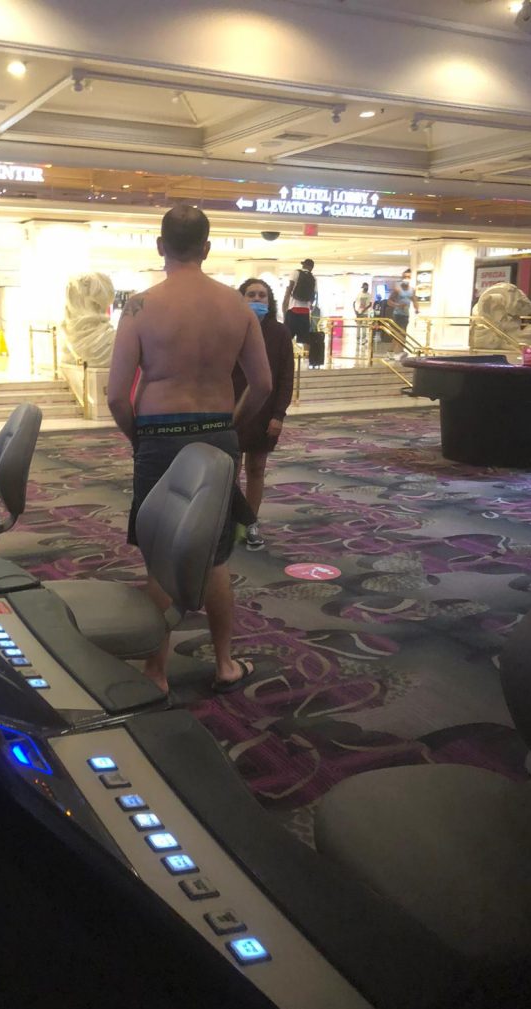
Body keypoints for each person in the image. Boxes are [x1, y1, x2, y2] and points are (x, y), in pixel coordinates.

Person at [107, 204, 271, 695]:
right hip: (217, 430)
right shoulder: (237, 307)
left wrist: (138, 438)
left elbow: (116, 396)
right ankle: (224, 663)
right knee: (214, 553)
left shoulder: (140, 306)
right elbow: (262, 385)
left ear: (161, 246)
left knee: (161, 553)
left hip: (158, 433)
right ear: (207, 247)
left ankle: (156, 671)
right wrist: (230, 426)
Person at [232, 279, 293, 551]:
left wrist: (279, 414)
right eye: (251, 295)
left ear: (270, 301)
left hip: (265, 412)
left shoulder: (279, 333)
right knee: (230, 472)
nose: (257, 299)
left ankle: (250, 523)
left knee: (256, 469)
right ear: (241, 299)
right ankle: (231, 520)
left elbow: (285, 377)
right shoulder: (231, 328)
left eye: (262, 295)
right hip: (233, 411)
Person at [282, 258, 317, 348]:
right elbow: (313, 296)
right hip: (305, 312)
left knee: (287, 337)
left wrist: (284, 305)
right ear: (312, 267)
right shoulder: (313, 278)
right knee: (305, 339)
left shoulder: (296, 273)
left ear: (304, 265)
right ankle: (307, 355)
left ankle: (287, 354)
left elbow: (290, 289)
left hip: (293, 309)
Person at [386, 268, 418, 352]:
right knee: (397, 334)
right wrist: (398, 305)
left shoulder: (412, 290)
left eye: (408, 277)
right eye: (405, 277)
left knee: (403, 334)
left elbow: (414, 300)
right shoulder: (398, 289)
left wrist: (416, 309)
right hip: (397, 314)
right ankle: (392, 351)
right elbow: (389, 302)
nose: (406, 279)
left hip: (406, 315)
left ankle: (399, 351)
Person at [353, 281, 372, 349]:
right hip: (358, 313)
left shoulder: (369, 295)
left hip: (365, 313)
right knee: (358, 327)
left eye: (367, 287)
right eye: (365, 287)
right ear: (363, 287)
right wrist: (355, 311)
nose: (366, 289)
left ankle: (364, 339)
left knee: (364, 327)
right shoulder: (359, 294)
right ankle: (358, 339)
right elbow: (354, 302)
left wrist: (364, 309)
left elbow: (370, 304)